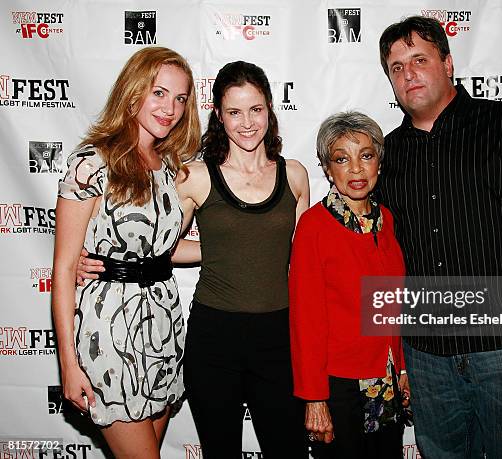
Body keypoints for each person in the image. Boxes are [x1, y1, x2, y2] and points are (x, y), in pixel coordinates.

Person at [377, 16, 502, 458]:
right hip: (428, 356)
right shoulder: (387, 155)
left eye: (419, 59)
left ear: (448, 64)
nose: (408, 73)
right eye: (396, 67)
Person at [52, 47, 201, 458]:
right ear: (133, 92)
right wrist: (68, 362)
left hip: (164, 324)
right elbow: (65, 266)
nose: (170, 108)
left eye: (180, 98)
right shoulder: (92, 163)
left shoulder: (170, 167)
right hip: (109, 330)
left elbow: (164, 251)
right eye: (159, 93)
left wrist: (234, 252)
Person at [176, 61, 311, 458]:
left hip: (279, 336)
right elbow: (161, 248)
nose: (247, 123)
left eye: (255, 109)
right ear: (218, 115)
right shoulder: (196, 176)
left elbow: (304, 262)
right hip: (214, 337)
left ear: (269, 108)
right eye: (234, 112)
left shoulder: (295, 175)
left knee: (287, 449)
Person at [289, 111, 410, 459]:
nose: (356, 169)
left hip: (385, 381)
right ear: (328, 168)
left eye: (366, 156)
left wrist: (401, 366)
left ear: (379, 164)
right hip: (338, 386)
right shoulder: (314, 226)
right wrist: (314, 398)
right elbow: (306, 321)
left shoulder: (387, 220)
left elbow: (394, 305)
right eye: (342, 159)